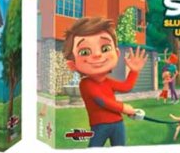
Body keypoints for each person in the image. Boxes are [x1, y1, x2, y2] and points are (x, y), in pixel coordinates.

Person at [63, 17, 148, 147]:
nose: (97, 55)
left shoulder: (107, 81)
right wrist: (124, 108)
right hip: (100, 125)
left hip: (118, 123)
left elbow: (126, 87)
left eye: (105, 48)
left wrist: (134, 71)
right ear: (72, 65)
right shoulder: (86, 84)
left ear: (117, 53)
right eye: (85, 52)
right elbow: (101, 101)